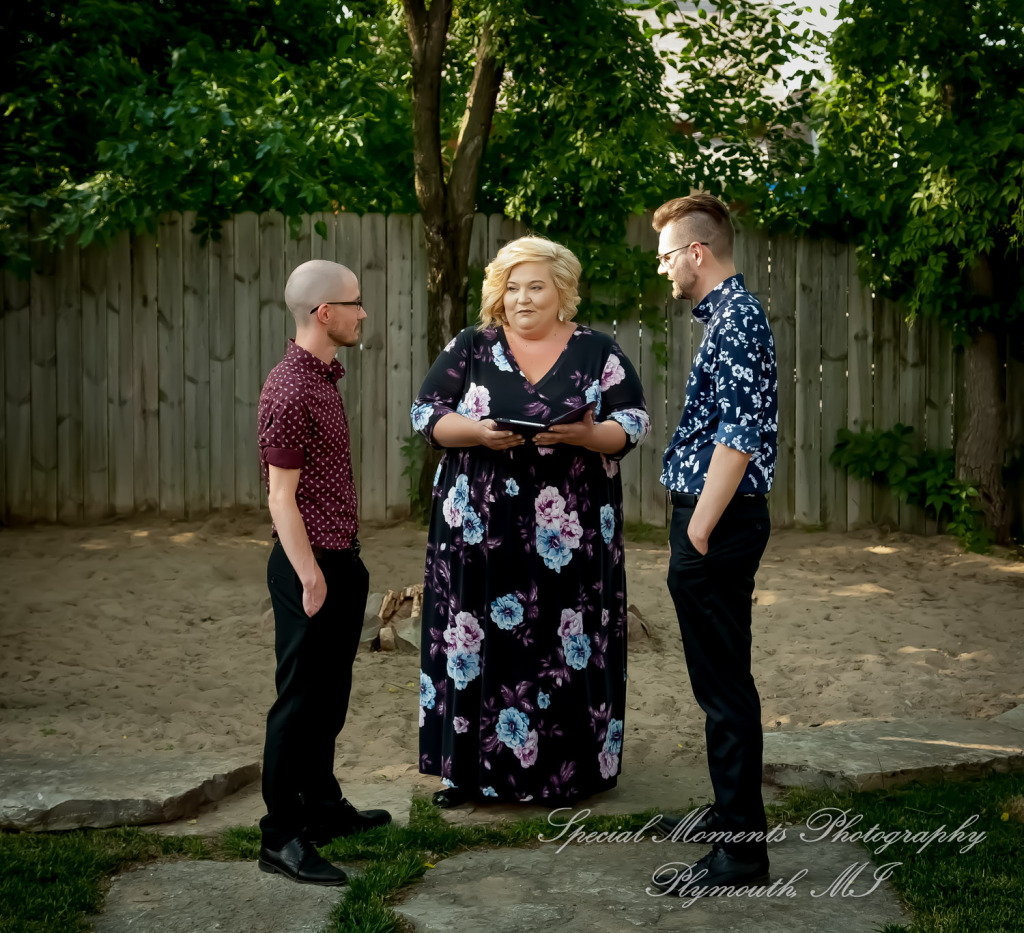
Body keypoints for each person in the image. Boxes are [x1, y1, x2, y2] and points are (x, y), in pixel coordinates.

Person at [411, 236, 649, 807]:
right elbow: (426, 413)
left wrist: (587, 435)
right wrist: (477, 432)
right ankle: (465, 774)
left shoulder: (599, 351)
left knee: (565, 640)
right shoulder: (472, 346)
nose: (522, 298)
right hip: (477, 531)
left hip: (570, 532)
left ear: (563, 291)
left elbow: (633, 422)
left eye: (536, 286)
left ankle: (571, 774)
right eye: (512, 287)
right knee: (474, 640)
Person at [651, 194, 778, 892]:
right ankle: (732, 815)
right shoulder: (733, 317)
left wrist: (697, 527)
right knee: (726, 679)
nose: (663, 265)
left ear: (697, 253)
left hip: (718, 524)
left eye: (668, 254)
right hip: (721, 521)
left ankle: (740, 852)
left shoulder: (734, 321)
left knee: (724, 690)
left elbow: (738, 435)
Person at [256, 259, 391, 887]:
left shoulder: (322, 379)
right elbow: (281, 498)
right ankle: (281, 837)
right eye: (356, 302)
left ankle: (323, 806)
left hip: (342, 559)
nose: (363, 312)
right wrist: (311, 575)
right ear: (324, 312)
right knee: (298, 702)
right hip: (309, 566)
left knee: (329, 696)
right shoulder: (289, 388)